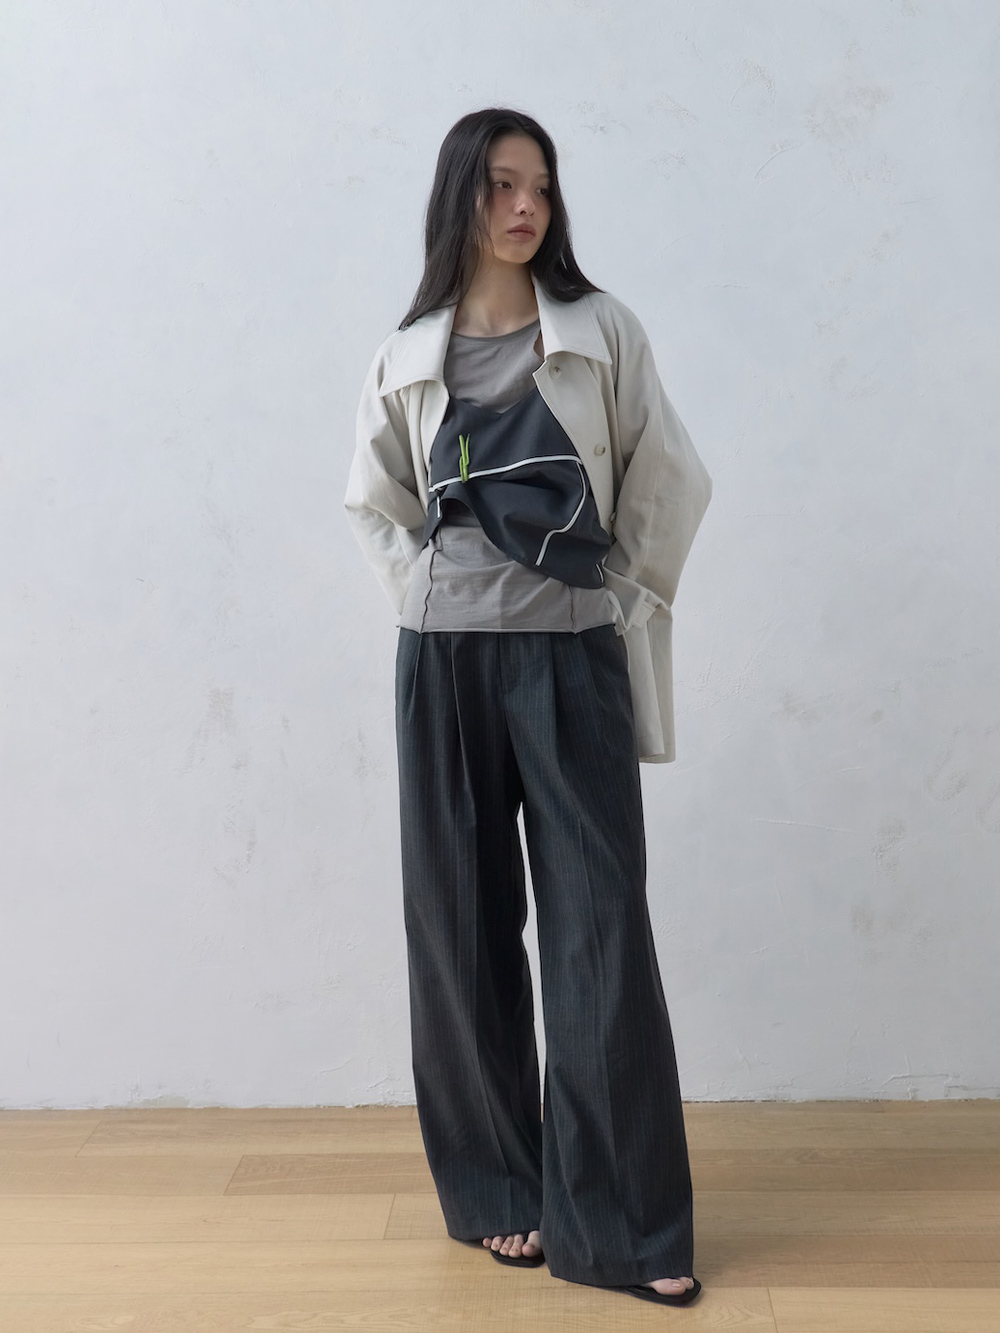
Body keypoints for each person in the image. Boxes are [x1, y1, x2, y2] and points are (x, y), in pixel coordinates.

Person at [344, 107, 712, 1309]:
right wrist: (425, 590)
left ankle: (623, 1224)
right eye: (502, 185)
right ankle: (501, 1187)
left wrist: (615, 595)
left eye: (541, 188)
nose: (524, 208)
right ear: (459, 196)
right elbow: (374, 501)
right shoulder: (408, 352)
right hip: (442, 662)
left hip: (568, 658)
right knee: (459, 928)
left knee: (599, 929)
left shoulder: (600, 332)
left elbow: (668, 475)